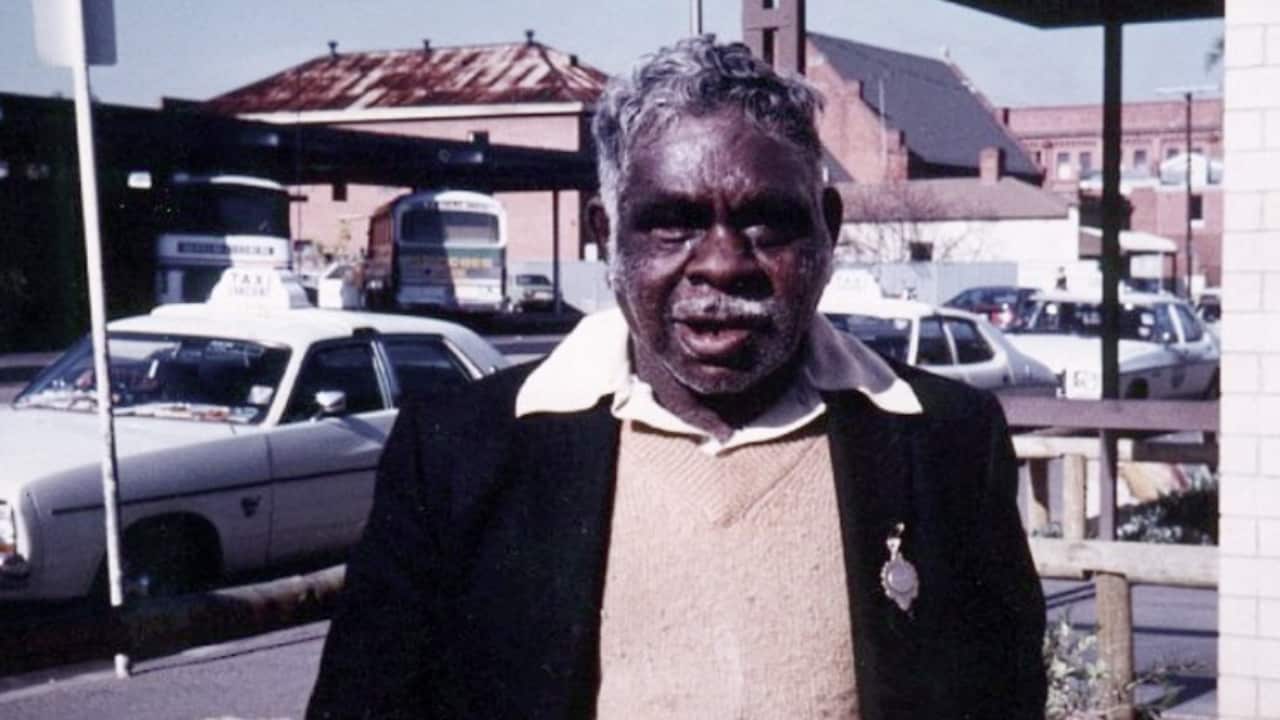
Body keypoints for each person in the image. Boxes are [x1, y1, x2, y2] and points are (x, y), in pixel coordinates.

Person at [307, 36, 1045, 720]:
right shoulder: (459, 453)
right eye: (673, 222)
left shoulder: (946, 443)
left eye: (766, 222)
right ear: (605, 233)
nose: (722, 264)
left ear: (827, 227)